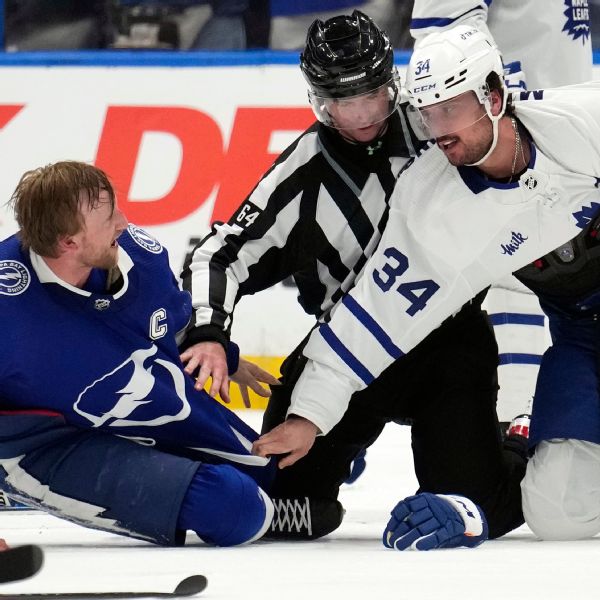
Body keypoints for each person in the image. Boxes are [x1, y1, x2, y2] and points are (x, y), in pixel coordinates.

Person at [181, 11, 528, 547]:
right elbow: (220, 254)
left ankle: (513, 444)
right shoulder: (300, 175)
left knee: (472, 508)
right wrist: (208, 331)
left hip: (448, 348)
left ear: (393, 85)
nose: (363, 115)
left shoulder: (440, 127)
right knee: (286, 507)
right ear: (319, 101)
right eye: (343, 102)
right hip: (343, 354)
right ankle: (340, 451)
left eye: (372, 96)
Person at [252, 24, 600, 548]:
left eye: (450, 108)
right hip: (585, 340)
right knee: (558, 516)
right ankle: (525, 437)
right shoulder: (432, 201)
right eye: (428, 112)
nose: (438, 129)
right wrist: (310, 414)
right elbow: (374, 314)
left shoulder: (585, 120)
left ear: (495, 95)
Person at [0, 160, 281, 547]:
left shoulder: (138, 255)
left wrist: (224, 358)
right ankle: (12, 488)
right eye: (108, 218)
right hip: (44, 447)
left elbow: (171, 323)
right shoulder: (7, 308)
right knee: (237, 510)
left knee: (282, 474)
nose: (123, 222)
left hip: (125, 417)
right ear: (69, 242)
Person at [410, 0, 594, 426]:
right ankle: (514, 429)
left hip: (566, 149)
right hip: (512, 148)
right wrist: (502, 110)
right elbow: (439, 36)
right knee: (518, 280)